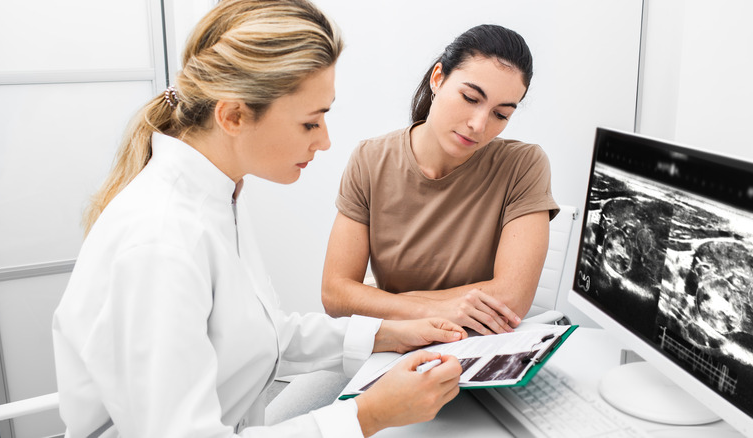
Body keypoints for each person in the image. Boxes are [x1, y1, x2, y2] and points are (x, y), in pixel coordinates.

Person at [52, 1, 467, 437]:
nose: (325, 142)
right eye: (311, 123)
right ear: (232, 116)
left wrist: (388, 334)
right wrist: (369, 416)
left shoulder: (218, 193)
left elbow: (257, 334)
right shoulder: (161, 241)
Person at [322, 24, 560, 336]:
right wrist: (432, 310)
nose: (479, 124)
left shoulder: (524, 166)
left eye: (500, 115)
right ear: (438, 78)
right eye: (470, 97)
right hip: (397, 342)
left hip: (477, 346)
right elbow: (335, 293)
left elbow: (511, 298)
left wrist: (382, 303)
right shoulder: (370, 159)